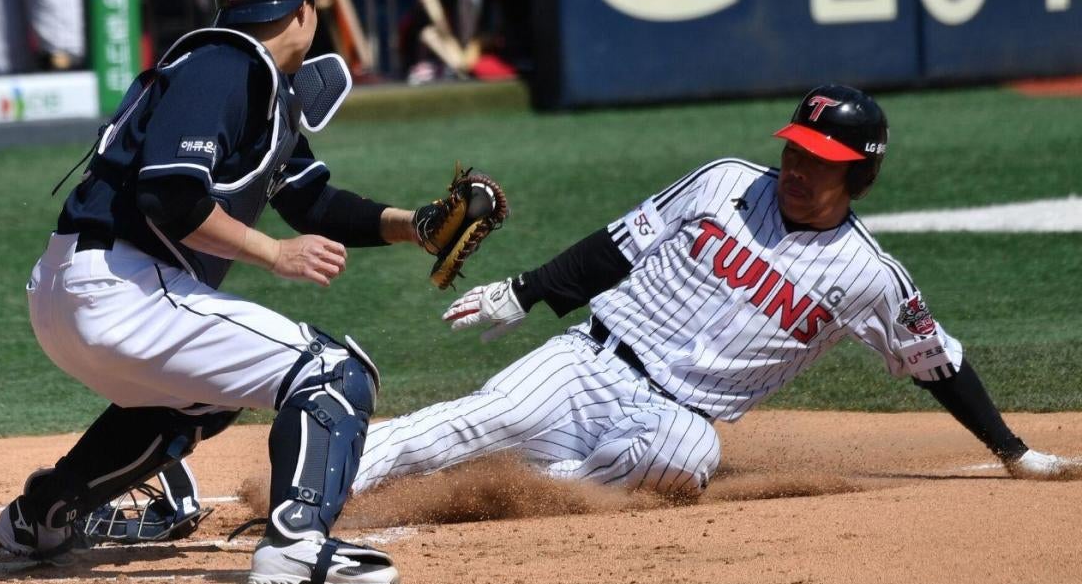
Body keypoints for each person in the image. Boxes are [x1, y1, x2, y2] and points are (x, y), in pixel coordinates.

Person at [0, 0, 465, 584]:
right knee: (333, 372)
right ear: (305, 10)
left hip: (82, 290)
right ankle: (297, 543)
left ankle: (45, 513)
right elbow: (170, 191)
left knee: (204, 399)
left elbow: (313, 201)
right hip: (122, 286)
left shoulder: (255, 81)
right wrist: (272, 253)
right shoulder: (224, 66)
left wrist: (415, 227)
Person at [352, 84, 1079, 497]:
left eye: (817, 159)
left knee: (687, 457)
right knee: (468, 419)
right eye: (793, 148)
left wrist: (1013, 451)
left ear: (859, 174)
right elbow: (618, 243)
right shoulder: (726, 182)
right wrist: (525, 289)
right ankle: (319, 481)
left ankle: (525, 480)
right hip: (588, 360)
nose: (795, 165)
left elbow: (936, 362)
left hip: (680, 413)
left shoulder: (868, 276)